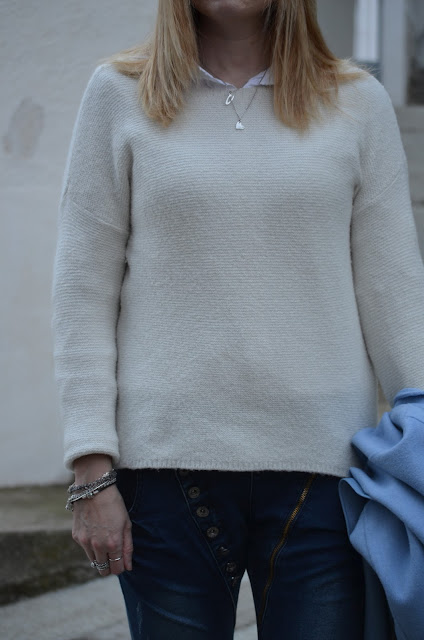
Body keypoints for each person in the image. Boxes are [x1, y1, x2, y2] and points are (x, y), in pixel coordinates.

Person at [51, 1, 424, 638]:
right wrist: (90, 465)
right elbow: (83, 290)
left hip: (324, 474)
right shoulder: (118, 93)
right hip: (163, 476)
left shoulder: (357, 102)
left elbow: (394, 292)